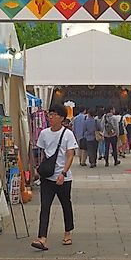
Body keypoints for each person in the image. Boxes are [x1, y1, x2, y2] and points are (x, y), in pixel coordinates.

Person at [31, 107, 78, 251]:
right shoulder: (44, 133)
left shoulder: (68, 134)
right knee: (45, 206)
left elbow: (70, 155)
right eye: (49, 115)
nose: (50, 117)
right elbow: (40, 152)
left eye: (53, 115)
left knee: (66, 205)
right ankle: (42, 238)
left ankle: (67, 232)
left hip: (63, 177)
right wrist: (37, 168)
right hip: (47, 177)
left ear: (62, 118)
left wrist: (63, 173)